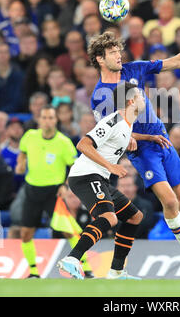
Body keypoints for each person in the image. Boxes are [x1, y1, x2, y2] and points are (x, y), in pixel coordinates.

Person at [89, 32, 180, 280]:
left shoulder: (134, 69)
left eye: (118, 50)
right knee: (171, 202)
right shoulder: (101, 94)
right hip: (144, 151)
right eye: (112, 52)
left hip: (162, 140)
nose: (118, 54)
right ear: (100, 59)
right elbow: (111, 136)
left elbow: (174, 62)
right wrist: (137, 138)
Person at [57, 82, 146, 280]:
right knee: (109, 218)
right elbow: (83, 144)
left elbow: (123, 136)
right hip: (86, 175)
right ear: (131, 101)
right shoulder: (113, 121)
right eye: (140, 95)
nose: (144, 99)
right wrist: (111, 166)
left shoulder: (126, 125)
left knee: (134, 216)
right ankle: (72, 259)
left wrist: (151, 137)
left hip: (100, 178)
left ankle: (116, 271)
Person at [15, 105, 92, 279]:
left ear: (55, 120)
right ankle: (34, 272)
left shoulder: (63, 142)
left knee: (68, 230)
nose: (47, 121)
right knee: (26, 233)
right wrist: (21, 163)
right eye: (44, 117)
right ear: (39, 120)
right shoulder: (30, 136)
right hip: (32, 190)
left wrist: (65, 186)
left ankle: (86, 267)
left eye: (50, 117)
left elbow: (74, 167)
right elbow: (23, 152)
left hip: (53, 193)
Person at [0, 43, 24, 113]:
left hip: (13, 115)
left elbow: (18, 99)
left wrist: (3, 112)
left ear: (10, 54)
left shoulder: (18, 74)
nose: (2, 55)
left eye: (5, 52)